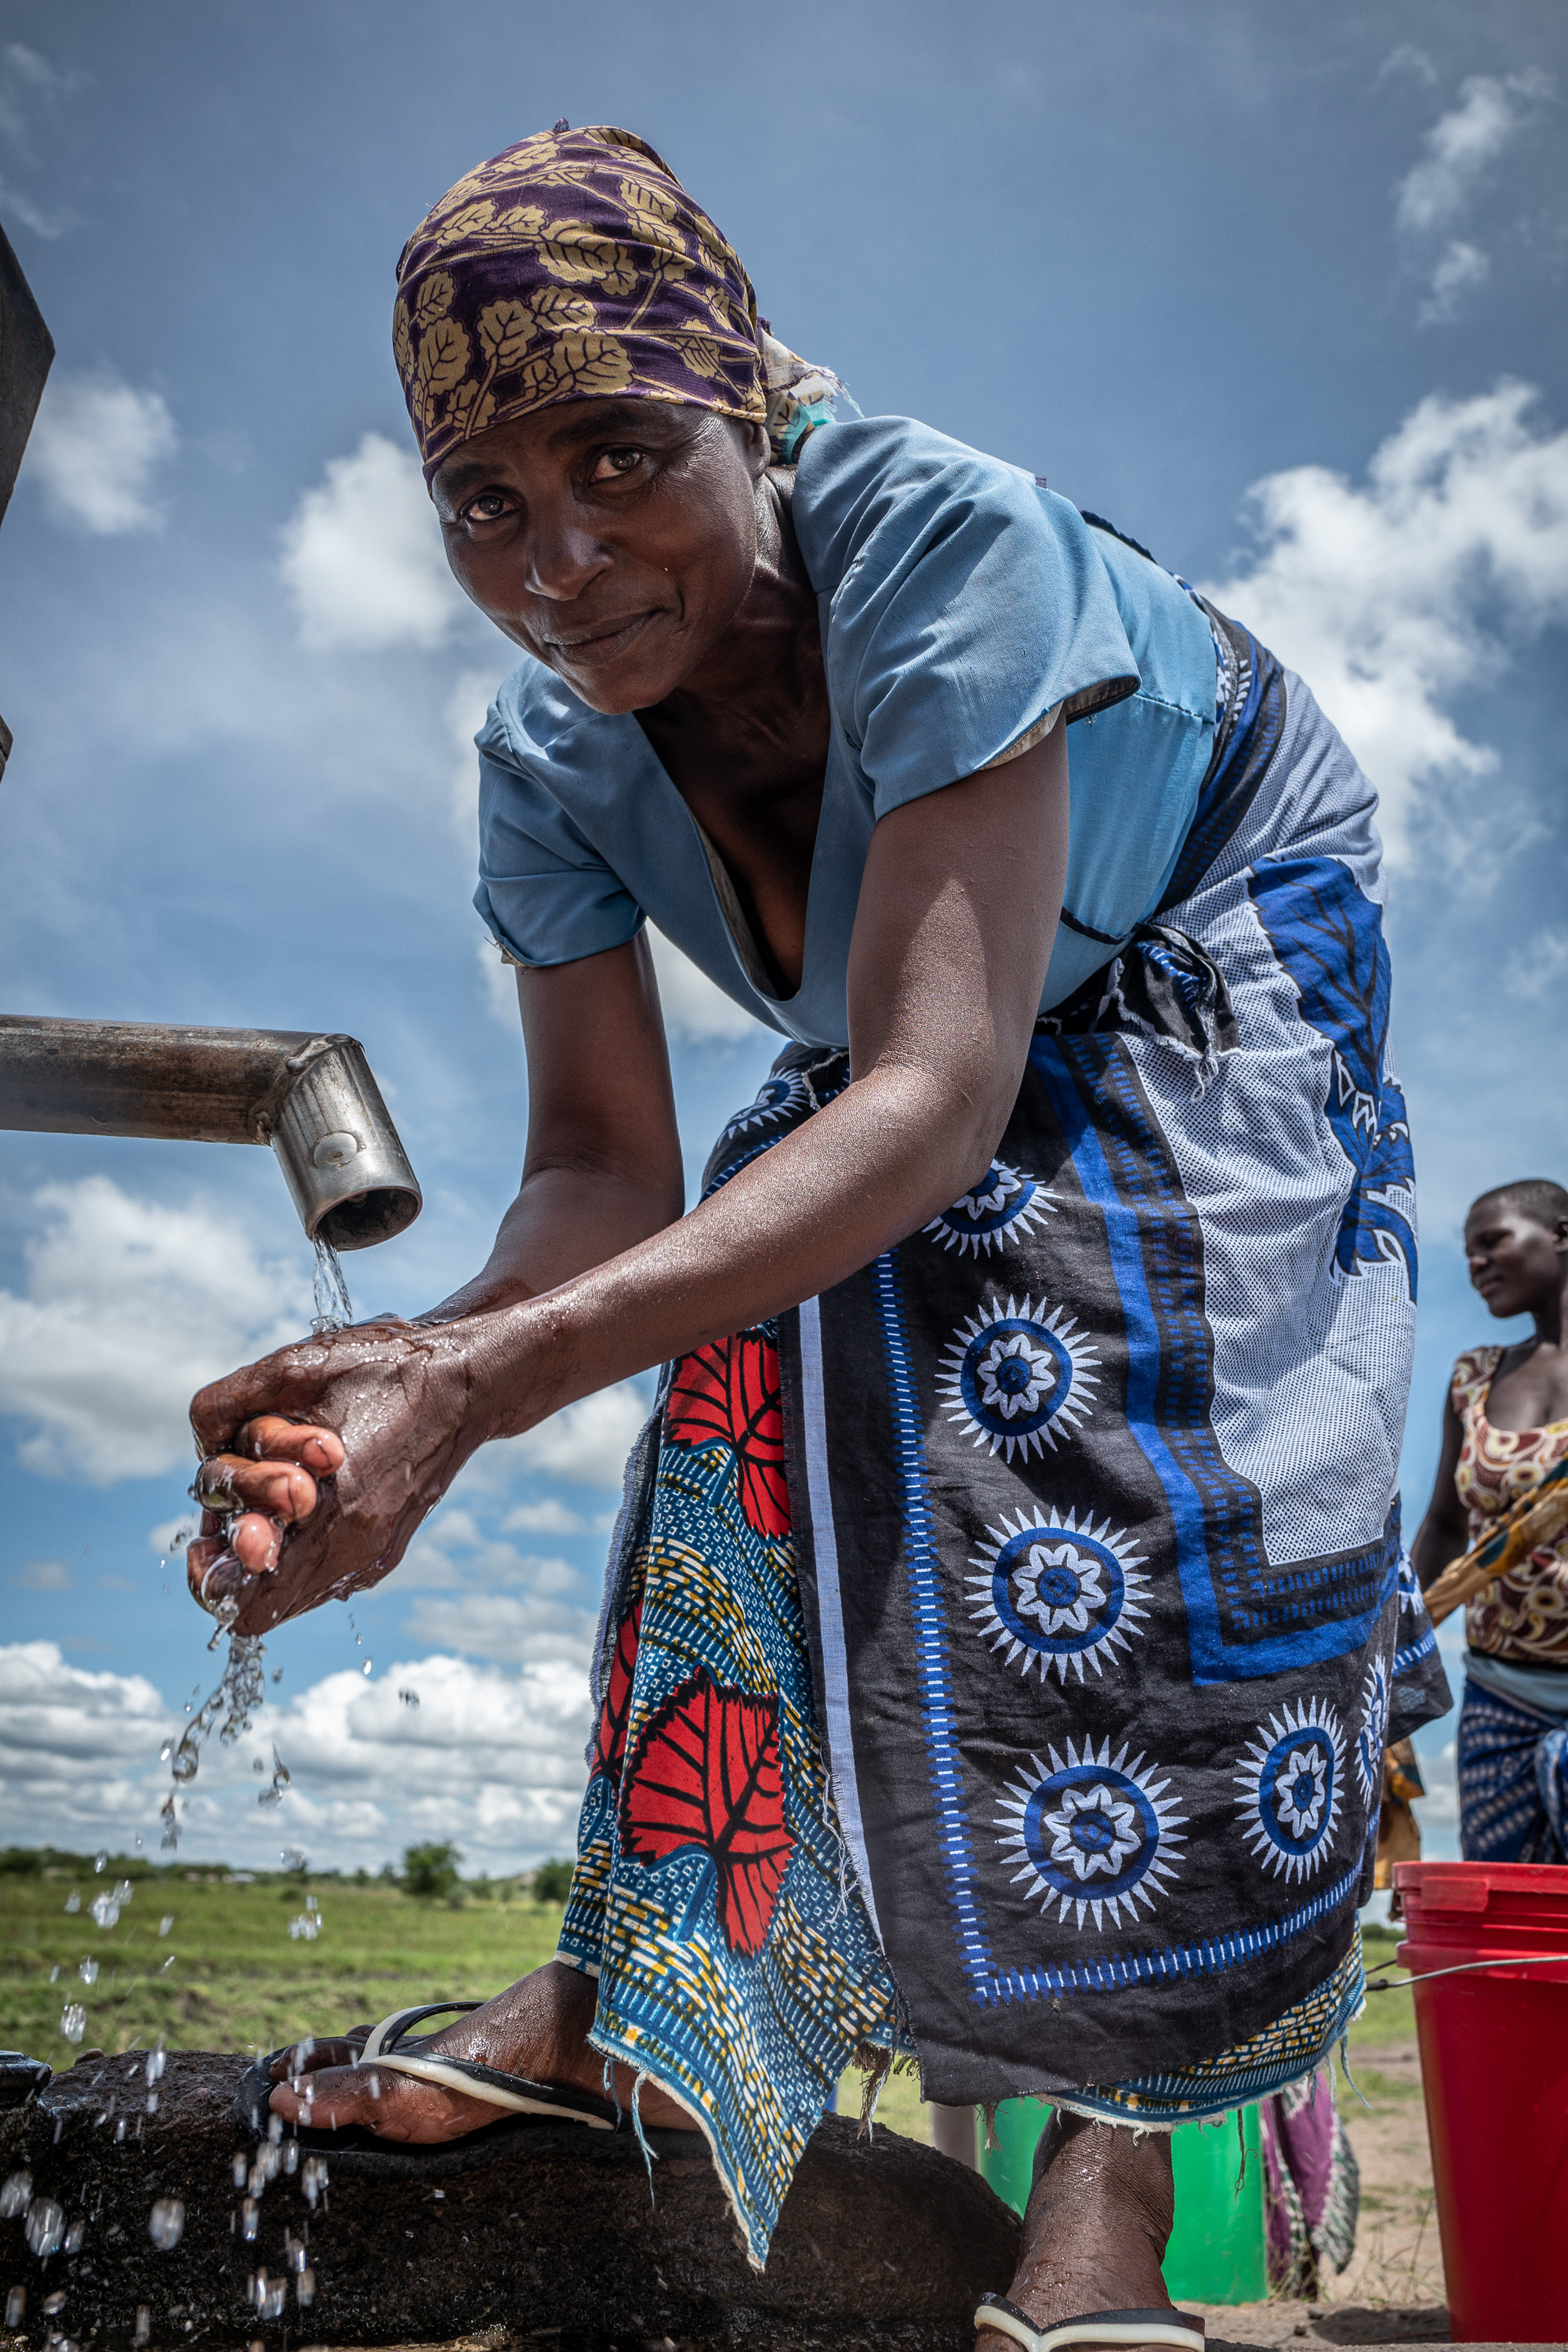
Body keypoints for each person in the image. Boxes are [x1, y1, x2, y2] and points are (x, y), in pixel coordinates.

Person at [184, 125, 1449, 2352]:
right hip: (927, 1054)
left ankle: (1112, 2203)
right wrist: (405, 1391)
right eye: (484, 503)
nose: (557, 559)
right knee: (751, 1350)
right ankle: (622, 2001)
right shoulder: (544, 761)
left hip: (1215, 943)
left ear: (747, 399)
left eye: (620, 456)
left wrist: (482, 1382)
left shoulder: (939, 542)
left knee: (1104, 1403)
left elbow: (938, 1095)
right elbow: (600, 1184)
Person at [1412, 1180, 1568, 1862]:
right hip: (1500, 1696)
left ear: (1561, 1234)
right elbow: (1446, 1526)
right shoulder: (1474, 1378)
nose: (1475, 1264)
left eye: (1492, 1241)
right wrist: (1392, 1645)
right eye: (1468, 1251)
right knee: (1502, 1934)